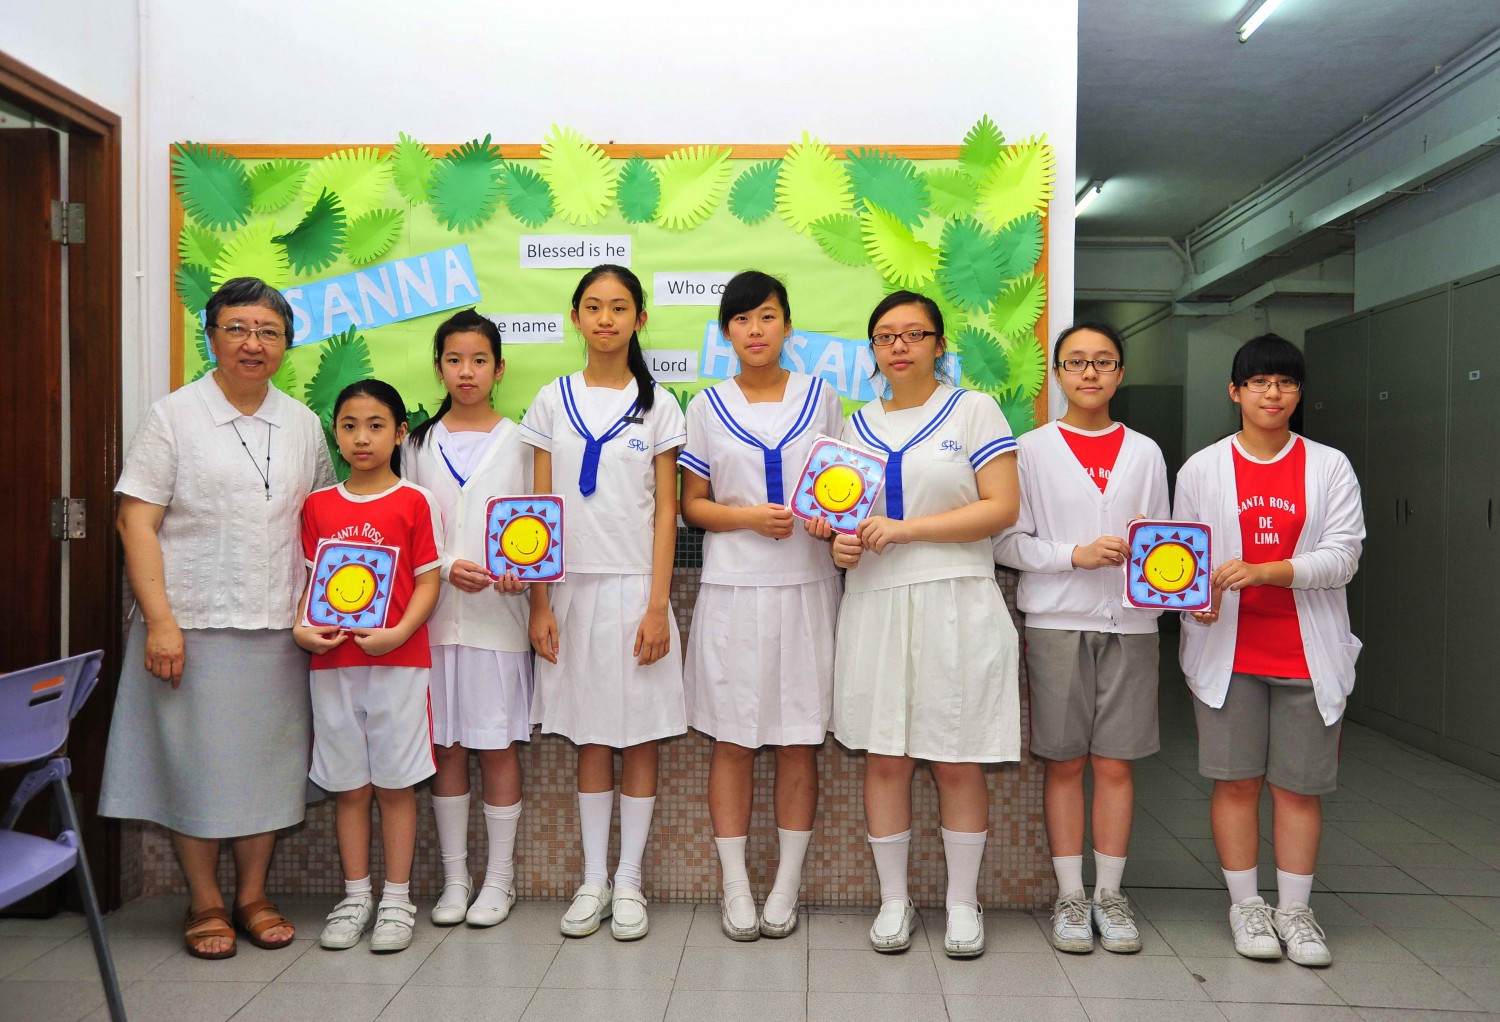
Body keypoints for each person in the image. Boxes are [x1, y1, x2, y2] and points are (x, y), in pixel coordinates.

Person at [100, 277, 334, 960]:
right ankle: (204, 901)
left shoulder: (303, 423)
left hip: (280, 628)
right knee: (195, 768)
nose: (252, 343)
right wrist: (160, 621)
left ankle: (253, 896)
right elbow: (134, 521)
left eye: (268, 331)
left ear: (286, 344)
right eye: (237, 328)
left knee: (268, 769)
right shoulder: (173, 416)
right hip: (192, 626)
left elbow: (324, 523)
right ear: (211, 338)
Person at [832, 290, 1021, 958]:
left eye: (914, 333)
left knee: (957, 756)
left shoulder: (974, 410)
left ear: (940, 345)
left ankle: (963, 904)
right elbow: (842, 519)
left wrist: (907, 530)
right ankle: (895, 901)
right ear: (873, 350)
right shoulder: (854, 427)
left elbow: (1002, 507)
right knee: (886, 756)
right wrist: (842, 546)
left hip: (956, 600)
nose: (900, 345)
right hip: (877, 603)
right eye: (886, 335)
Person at [1175, 333, 1363, 967]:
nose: (1272, 393)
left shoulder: (1329, 466)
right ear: (1235, 392)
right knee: (1235, 784)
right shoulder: (1202, 469)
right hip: (1228, 657)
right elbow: (1183, 557)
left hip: (1308, 656)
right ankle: (1247, 907)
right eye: (1258, 382)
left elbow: (1343, 557)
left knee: (1298, 789)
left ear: (1298, 393)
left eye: (1284, 382)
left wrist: (1267, 571)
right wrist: (1195, 600)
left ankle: (1296, 912)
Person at [520, 264, 687, 941]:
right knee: (590, 735)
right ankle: (593, 880)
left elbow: (667, 511)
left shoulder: (660, 405)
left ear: (640, 319)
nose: (606, 319)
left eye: (620, 307)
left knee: (638, 736)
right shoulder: (550, 400)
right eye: (593, 306)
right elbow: (536, 509)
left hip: (635, 590)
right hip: (569, 591)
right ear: (575, 317)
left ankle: (630, 880)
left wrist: (657, 606)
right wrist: (539, 604)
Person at [678, 271, 844, 941]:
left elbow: (841, 487)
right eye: (742, 320)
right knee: (734, 742)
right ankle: (736, 885)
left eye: (767, 316)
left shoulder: (821, 397)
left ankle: (786, 884)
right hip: (733, 591)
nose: (755, 330)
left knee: (799, 740)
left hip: (807, 589)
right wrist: (748, 517)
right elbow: (692, 506)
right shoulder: (706, 405)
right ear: (726, 333)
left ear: (787, 325)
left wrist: (831, 520)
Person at [994, 322, 1168, 955]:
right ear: (1058, 374)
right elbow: (1007, 542)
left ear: (1120, 373)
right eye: (1076, 362)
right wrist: (1076, 554)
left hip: (1132, 625)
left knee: (1116, 763)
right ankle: (1070, 896)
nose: (1090, 373)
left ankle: (1110, 896)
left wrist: (1171, 578)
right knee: (1064, 762)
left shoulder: (1146, 452)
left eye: (1103, 362)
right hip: (1056, 623)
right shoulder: (1030, 450)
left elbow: (1166, 543)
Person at [294, 380, 443, 954]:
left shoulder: (416, 501)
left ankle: (397, 899)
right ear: (335, 433)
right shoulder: (318, 505)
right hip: (333, 667)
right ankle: (356, 896)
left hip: (400, 665)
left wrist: (399, 632)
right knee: (349, 788)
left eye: (376, 425)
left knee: (396, 785)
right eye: (350, 426)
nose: (362, 438)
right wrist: (303, 630)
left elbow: (428, 581)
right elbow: (311, 583)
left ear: (400, 433)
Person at [405, 310, 533, 928]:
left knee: (496, 746)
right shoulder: (416, 444)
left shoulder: (523, 441)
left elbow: (538, 525)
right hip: (429, 623)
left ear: (499, 368)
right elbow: (406, 526)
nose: (467, 371)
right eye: (454, 360)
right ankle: (455, 881)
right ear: (439, 368)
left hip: (498, 621)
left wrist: (523, 571)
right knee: (446, 748)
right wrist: (446, 563)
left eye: (479, 360)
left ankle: (499, 881)